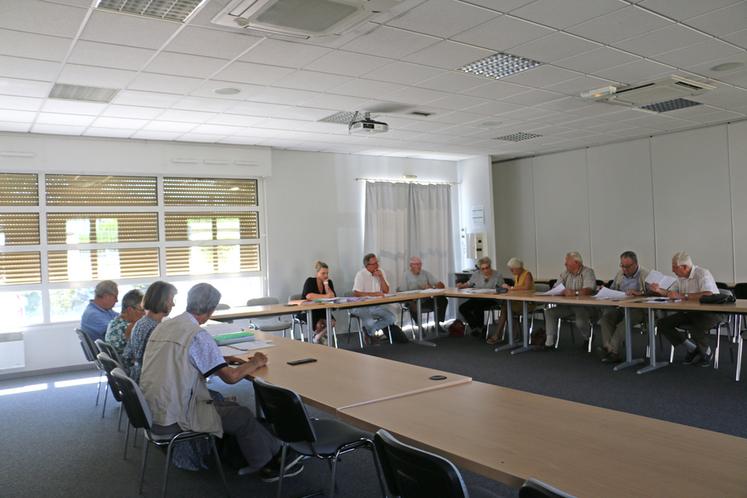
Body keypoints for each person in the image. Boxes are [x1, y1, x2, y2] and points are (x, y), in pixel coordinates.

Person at [139, 283, 303, 481]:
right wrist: (255, 362)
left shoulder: (166, 326)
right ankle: (268, 464)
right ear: (211, 310)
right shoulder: (197, 334)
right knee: (241, 414)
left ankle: (278, 452)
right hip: (175, 416)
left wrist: (220, 360)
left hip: (151, 410)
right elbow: (231, 378)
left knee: (226, 404)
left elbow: (182, 358)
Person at [651, 251, 723, 367]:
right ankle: (692, 349)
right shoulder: (680, 277)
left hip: (712, 312)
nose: (673, 270)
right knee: (663, 323)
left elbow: (708, 294)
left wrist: (683, 296)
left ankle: (706, 352)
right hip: (691, 312)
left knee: (695, 325)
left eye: (675, 267)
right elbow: (671, 293)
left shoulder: (702, 273)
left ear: (684, 267)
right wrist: (659, 290)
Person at [597, 251, 650, 363]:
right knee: (605, 319)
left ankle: (612, 350)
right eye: (622, 266)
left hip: (639, 309)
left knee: (624, 322)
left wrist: (640, 293)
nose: (624, 269)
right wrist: (604, 290)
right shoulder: (620, 274)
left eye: (627, 266)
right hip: (620, 307)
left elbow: (654, 293)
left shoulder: (645, 274)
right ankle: (609, 348)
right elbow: (613, 289)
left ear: (635, 264)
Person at [122, 281, 177, 383]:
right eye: (171, 300)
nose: (173, 304)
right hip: (149, 382)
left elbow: (127, 355)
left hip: (137, 376)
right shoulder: (156, 329)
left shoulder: (140, 323)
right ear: (162, 301)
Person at [541, 252, 597, 350]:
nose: (565, 264)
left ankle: (588, 337)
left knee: (580, 321)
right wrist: (561, 291)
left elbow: (589, 289)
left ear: (576, 262)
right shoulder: (565, 273)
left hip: (584, 307)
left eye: (567, 262)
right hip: (567, 306)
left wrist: (574, 293)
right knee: (549, 312)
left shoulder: (588, 272)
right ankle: (548, 343)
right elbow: (556, 287)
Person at [487, 257, 534, 345]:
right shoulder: (517, 275)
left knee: (505, 308)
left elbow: (526, 288)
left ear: (518, 268)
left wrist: (511, 288)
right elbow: (517, 290)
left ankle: (499, 335)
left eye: (512, 269)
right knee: (506, 308)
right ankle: (514, 336)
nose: (511, 271)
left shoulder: (527, 274)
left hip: (528, 303)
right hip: (519, 301)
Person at [352, 253, 397, 342]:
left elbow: (386, 290)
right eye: (374, 264)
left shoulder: (381, 271)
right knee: (369, 321)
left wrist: (381, 277)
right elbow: (356, 293)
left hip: (376, 306)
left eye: (377, 263)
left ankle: (369, 332)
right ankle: (371, 334)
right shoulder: (361, 274)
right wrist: (374, 294)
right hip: (362, 306)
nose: (377, 265)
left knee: (392, 318)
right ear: (367, 265)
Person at [397, 256, 448, 334]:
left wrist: (432, 287)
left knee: (443, 299)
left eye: (420, 264)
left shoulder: (425, 273)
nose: (418, 266)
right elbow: (401, 291)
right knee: (412, 305)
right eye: (416, 264)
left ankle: (437, 325)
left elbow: (441, 285)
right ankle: (420, 327)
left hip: (425, 299)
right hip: (412, 300)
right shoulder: (406, 275)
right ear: (411, 266)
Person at [456, 257, 503, 338]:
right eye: (483, 269)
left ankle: (480, 328)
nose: (485, 270)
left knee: (478, 308)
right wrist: (462, 286)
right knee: (462, 308)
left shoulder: (497, 274)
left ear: (490, 266)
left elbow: (501, 287)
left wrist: (499, 289)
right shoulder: (476, 274)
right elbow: (469, 283)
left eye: (487, 268)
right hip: (477, 297)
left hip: (491, 299)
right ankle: (475, 327)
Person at [300, 261, 336, 344]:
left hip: (323, 309)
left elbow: (333, 296)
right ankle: (320, 338)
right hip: (309, 310)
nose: (326, 275)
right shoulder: (310, 281)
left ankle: (317, 337)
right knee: (319, 324)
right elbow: (309, 296)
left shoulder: (329, 282)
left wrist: (326, 285)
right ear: (317, 273)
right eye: (323, 273)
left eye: (327, 273)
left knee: (332, 322)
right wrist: (326, 296)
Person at [104, 289, 145, 358]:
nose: (144, 314)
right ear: (130, 310)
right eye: (142, 310)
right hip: (127, 365)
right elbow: (138, 354)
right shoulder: (130, 327)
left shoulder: (116, 321)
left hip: (118, 364)